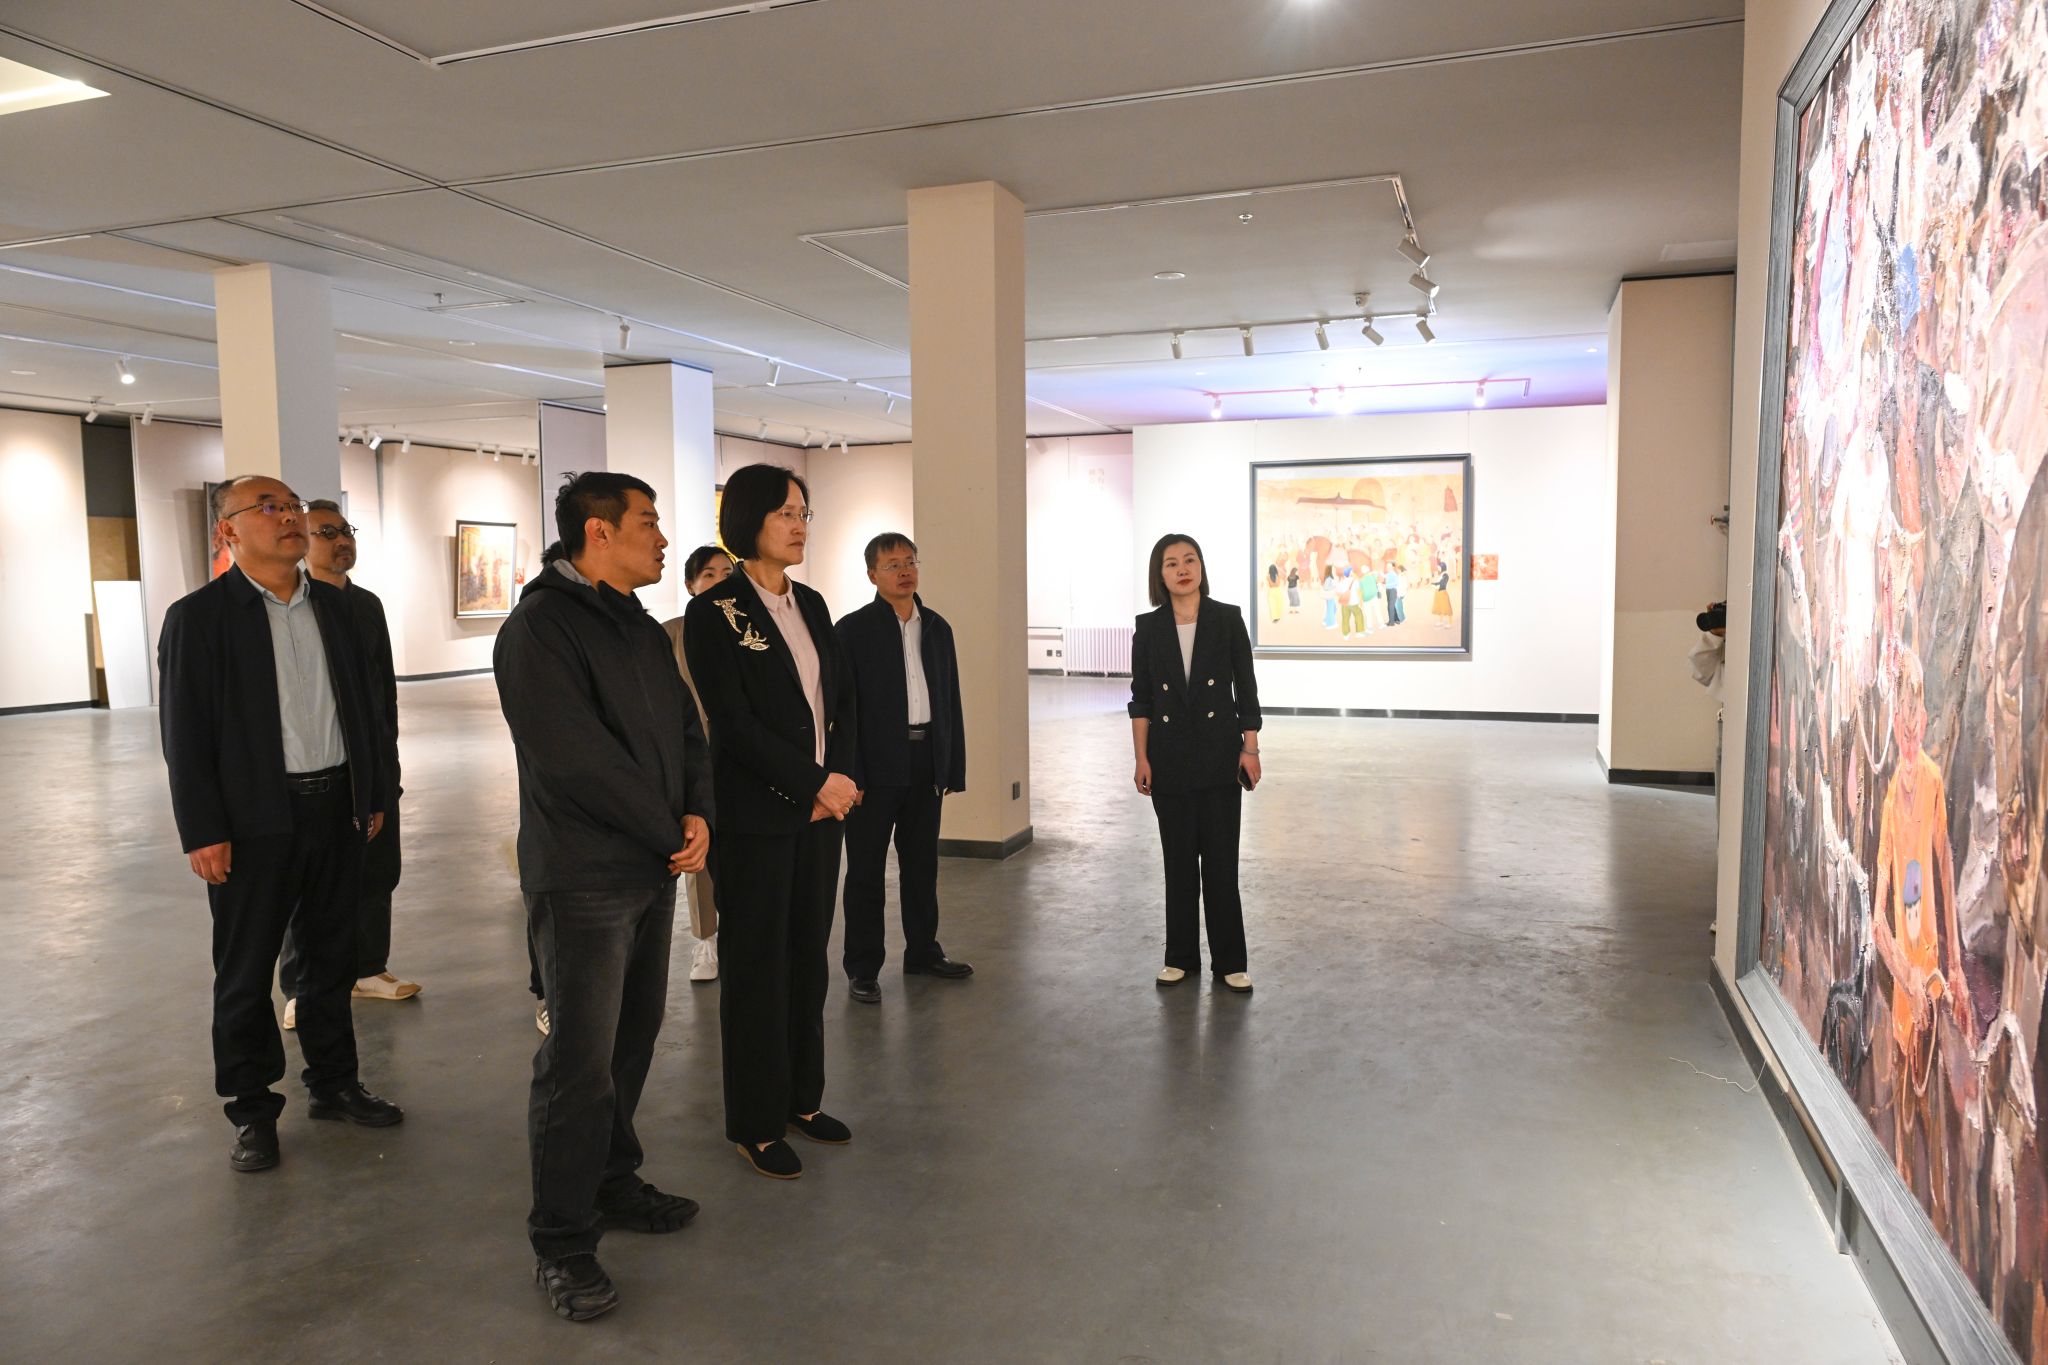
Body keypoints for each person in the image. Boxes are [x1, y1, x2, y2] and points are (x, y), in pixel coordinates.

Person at [494, 471, 713, 1322]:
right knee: (578, 1066)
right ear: (598, 532)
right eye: (648, 522)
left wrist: (697, 812)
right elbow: (572, 758)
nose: (662, 538)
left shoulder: (638, 624)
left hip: (651, 866)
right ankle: (562, 1241)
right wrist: (668, 827)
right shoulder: (539, 629)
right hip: (583, 875)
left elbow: (687, 729)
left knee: (630, 1044)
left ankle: (613, 1180)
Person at [157, 475, 400, 1176]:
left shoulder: (338, 609)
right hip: (252, 817)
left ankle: (334, 1082)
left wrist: (371, 791)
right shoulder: (200, 617)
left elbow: (368, 710)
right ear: (227, 530)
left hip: (336, 807)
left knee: (329, 959)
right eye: (269, 508)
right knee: (245, 969)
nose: (289, 517)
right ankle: (252, 1109)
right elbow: (185, 734)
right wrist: (202, 829)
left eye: (293, 507)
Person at [683, 464, 858, 1180]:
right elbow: (735, 724)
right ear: (749, 519)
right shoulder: (715, 611)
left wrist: (837, 783)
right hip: (757, 818)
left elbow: (836, 705)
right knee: (757, 967)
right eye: (786, 512)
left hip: (820, 816)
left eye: (804, 513)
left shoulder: (811, 603)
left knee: (807, 957)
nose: (798, 525)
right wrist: (812, 783)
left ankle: (801, 1100)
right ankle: (755, 1121)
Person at [280, 500, 416, 1031]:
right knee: (307, 883)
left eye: (346, 531)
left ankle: (368, 968)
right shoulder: (295, 608)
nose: (342, 541)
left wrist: (387, 765)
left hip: (372, 762)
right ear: (303, 542)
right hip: (318, 766)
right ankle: (300, 986)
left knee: (377, 869)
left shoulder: (366, 605)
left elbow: (383, 692)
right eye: (328, 532)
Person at [836, 532, 972, 1004]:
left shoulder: (937, 627)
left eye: (910, 561)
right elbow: (842, 710)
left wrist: (951, 766)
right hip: (872, 769)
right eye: (892, 564)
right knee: (865, 871)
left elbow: (950, 700)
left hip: (924, 761)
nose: (904, 571)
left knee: (922, 865)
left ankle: (923, 952)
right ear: (872, 574)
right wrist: (851, 774)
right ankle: (862, 967)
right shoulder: (852, 630)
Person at [1128, 533, 1263, 993]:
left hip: (1219, 755)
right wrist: (1141, 757)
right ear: (1159, 574)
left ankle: (1231, 961)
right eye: (1171, 563)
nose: (1182, 569)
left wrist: (1250, 748)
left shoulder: (1227, 619)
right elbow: (1141, 700)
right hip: (1168, 760)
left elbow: (1246, 688)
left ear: (1201, 567)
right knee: (1179, 864)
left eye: (1190, 560)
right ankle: (1180, 958)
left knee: (1222, 865)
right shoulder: (1149, 628)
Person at [1870, 653, 1972, 1210]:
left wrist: (1951, 968)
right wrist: (1902, 971)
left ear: (1924, 723)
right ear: (1894, 725)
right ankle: (1901, 1196)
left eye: (1915, 728)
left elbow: (1944, 862)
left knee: (1933, 1106)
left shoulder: (1931, 780)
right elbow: (1878, 916)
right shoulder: (1890, 796)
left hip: (1928, 962)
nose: (1908, 740)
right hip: (1906, 970)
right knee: (1904, 1105)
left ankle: (1929, 1208)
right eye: (1902, 729)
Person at [662, 544, 735, 983]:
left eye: (728, 573)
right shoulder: (669, 635)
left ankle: (745, 933)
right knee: (699, 850)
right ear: (691, 585)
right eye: (709, 574)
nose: (720, 581)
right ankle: (706, 939)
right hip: (693, 761)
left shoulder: (750, 632)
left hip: (743, 761)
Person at [1430, 560, 1453, 629]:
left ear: (1442, 567)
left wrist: (1433, 584)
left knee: (1446, 607)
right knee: (1440, 607)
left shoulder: (1445, 575)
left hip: (1442, 592)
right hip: (1438, 592)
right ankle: (1441, 621)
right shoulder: (1441, 574)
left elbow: (1442, 584)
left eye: (1439, 568)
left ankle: (1450, 623)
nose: (1438, 569)